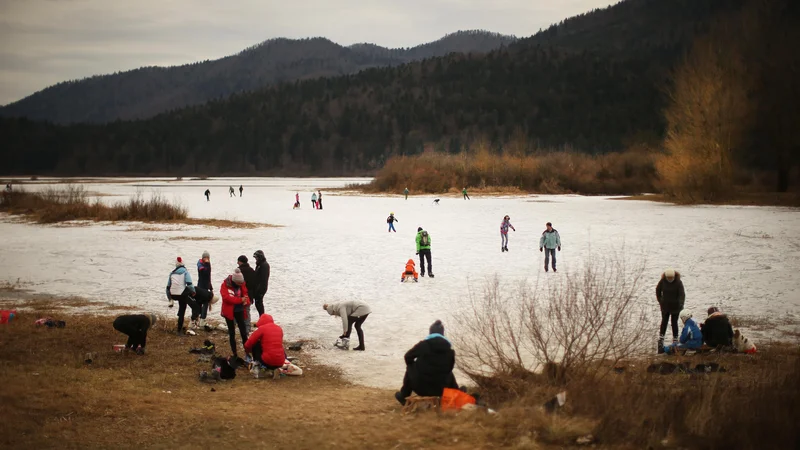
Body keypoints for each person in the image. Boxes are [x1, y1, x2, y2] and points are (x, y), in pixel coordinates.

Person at [395, 320, 459, 405]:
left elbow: (407, 357)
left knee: (411, 366)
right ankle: (457, 393)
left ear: (430, 333)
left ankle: (404, 395)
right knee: (448, 372)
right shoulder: (450, 351)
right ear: (442, 334)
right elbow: (450, 368)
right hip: (441, 390)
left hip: (420, 388)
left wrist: (416, 367)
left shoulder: (423, 345)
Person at [220, 268, 250, 357]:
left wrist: (246, 300)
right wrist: (240, 300)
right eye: (240, 283)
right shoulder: (225, 285)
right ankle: (235, 354)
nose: (241, 284)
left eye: (242, 283)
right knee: (232, 333)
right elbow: (227, 298)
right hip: (229, 312)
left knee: (243, 332)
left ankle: (247, 353)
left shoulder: (242, 283)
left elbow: (246, 294)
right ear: (234, 281)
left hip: (240, 310)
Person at [166, 257, 199, 334]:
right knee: (194, 306)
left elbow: (167, 287)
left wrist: (170, 299)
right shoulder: (185, 272)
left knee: (182, 306)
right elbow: (189, 284)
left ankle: (179, 328)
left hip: (173, 294)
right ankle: (189, 325)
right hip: (182, 294)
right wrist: (193, 292)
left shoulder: (172, 273)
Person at [655, 268, 685, 354]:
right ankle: (661, 340)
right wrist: (660, 300)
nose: (670, 279)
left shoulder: (678, 282)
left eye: (671, 278)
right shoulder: (662, 281)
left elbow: (682, 294)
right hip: (665, 306)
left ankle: (675, 340)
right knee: (664, 322)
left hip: (675, 307)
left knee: (674, 323)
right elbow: (658, 291)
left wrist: (680, 303)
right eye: (668, 278)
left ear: (674, 276)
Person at [237, 255, 257, 333]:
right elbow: (255, 283)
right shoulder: (252, 270)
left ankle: (237, 326)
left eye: (238, 261)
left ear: (240, 262)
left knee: (237, 311)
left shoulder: (238, 270)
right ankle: (247, 328)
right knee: (247, 312)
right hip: (250, 294)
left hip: (240, 295)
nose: (237, 263)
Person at [196, 251, 212, 328]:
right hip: (201, 286)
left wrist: (210, 286)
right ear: (202, 258)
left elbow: (208, 276)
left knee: (205, 302)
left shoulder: (208, 264)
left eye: (208, 258)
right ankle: (198, 318)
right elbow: (204, 272)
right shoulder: (200, 264)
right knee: (200, 301)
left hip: (206, 286)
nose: (207, 259)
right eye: (205, 257)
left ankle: (202, 318)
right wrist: (207, 264)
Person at [252, 250, 270, 317]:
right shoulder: (260, 264)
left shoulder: (264, 265)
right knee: (258, 303)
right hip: (258, 286)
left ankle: (262, 317)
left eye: (256, 257)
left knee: (259, 303)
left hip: (261, 287)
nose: (256, 259)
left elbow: (263, 279)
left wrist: (259, 289)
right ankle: (262, 317)